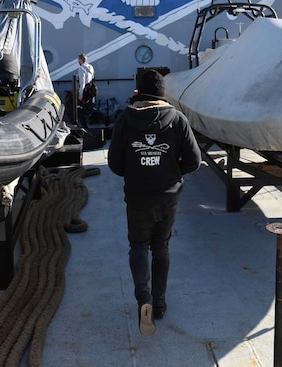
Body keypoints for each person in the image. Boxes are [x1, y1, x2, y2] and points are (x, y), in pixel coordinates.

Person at [107, 69, 201, 336]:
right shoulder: (178, 119)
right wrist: (171, 171)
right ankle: (159, 304)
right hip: (168, 197)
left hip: (138, 196)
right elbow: (194, 161)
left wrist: (137, 171)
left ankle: (143, 298)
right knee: (161, 246)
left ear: (138, 92)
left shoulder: (126, 120)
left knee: (138, 246)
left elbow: (115, 163)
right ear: (162, 94)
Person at [76, 53, 95, 129]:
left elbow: (82, 82)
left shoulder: (81, 68)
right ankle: (89, 124)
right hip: (91, 90)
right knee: (89, 108)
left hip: (85, 91)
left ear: (80, 60)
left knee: (81, 109)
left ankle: (84, 127)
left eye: (78, 60)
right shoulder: (91, 67)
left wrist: (80, 94)